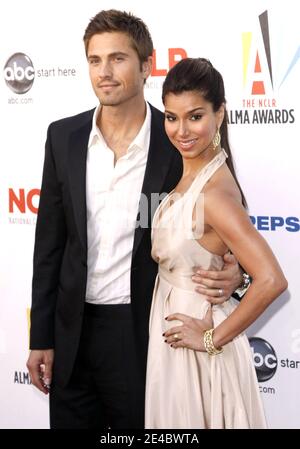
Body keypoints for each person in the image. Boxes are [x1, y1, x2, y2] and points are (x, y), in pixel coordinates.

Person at [27, 11, 244, 429]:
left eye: (117, 59)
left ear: (146, 66)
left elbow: (226, 227)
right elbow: (49, 245)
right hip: (71, 334)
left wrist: (235, 275)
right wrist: (41, 338)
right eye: (95, 60)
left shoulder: (176, 144)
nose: (104, 72)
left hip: (143, 336)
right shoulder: (62, 137)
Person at [145, 57, 288, 429]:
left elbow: (272, 280)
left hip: (199, 348)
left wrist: (210, 339)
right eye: (172, 117)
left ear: (219, 114)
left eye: (195, 116)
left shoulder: (216, 195)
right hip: (175, 339)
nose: (181, 130)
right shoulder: (192, 173)